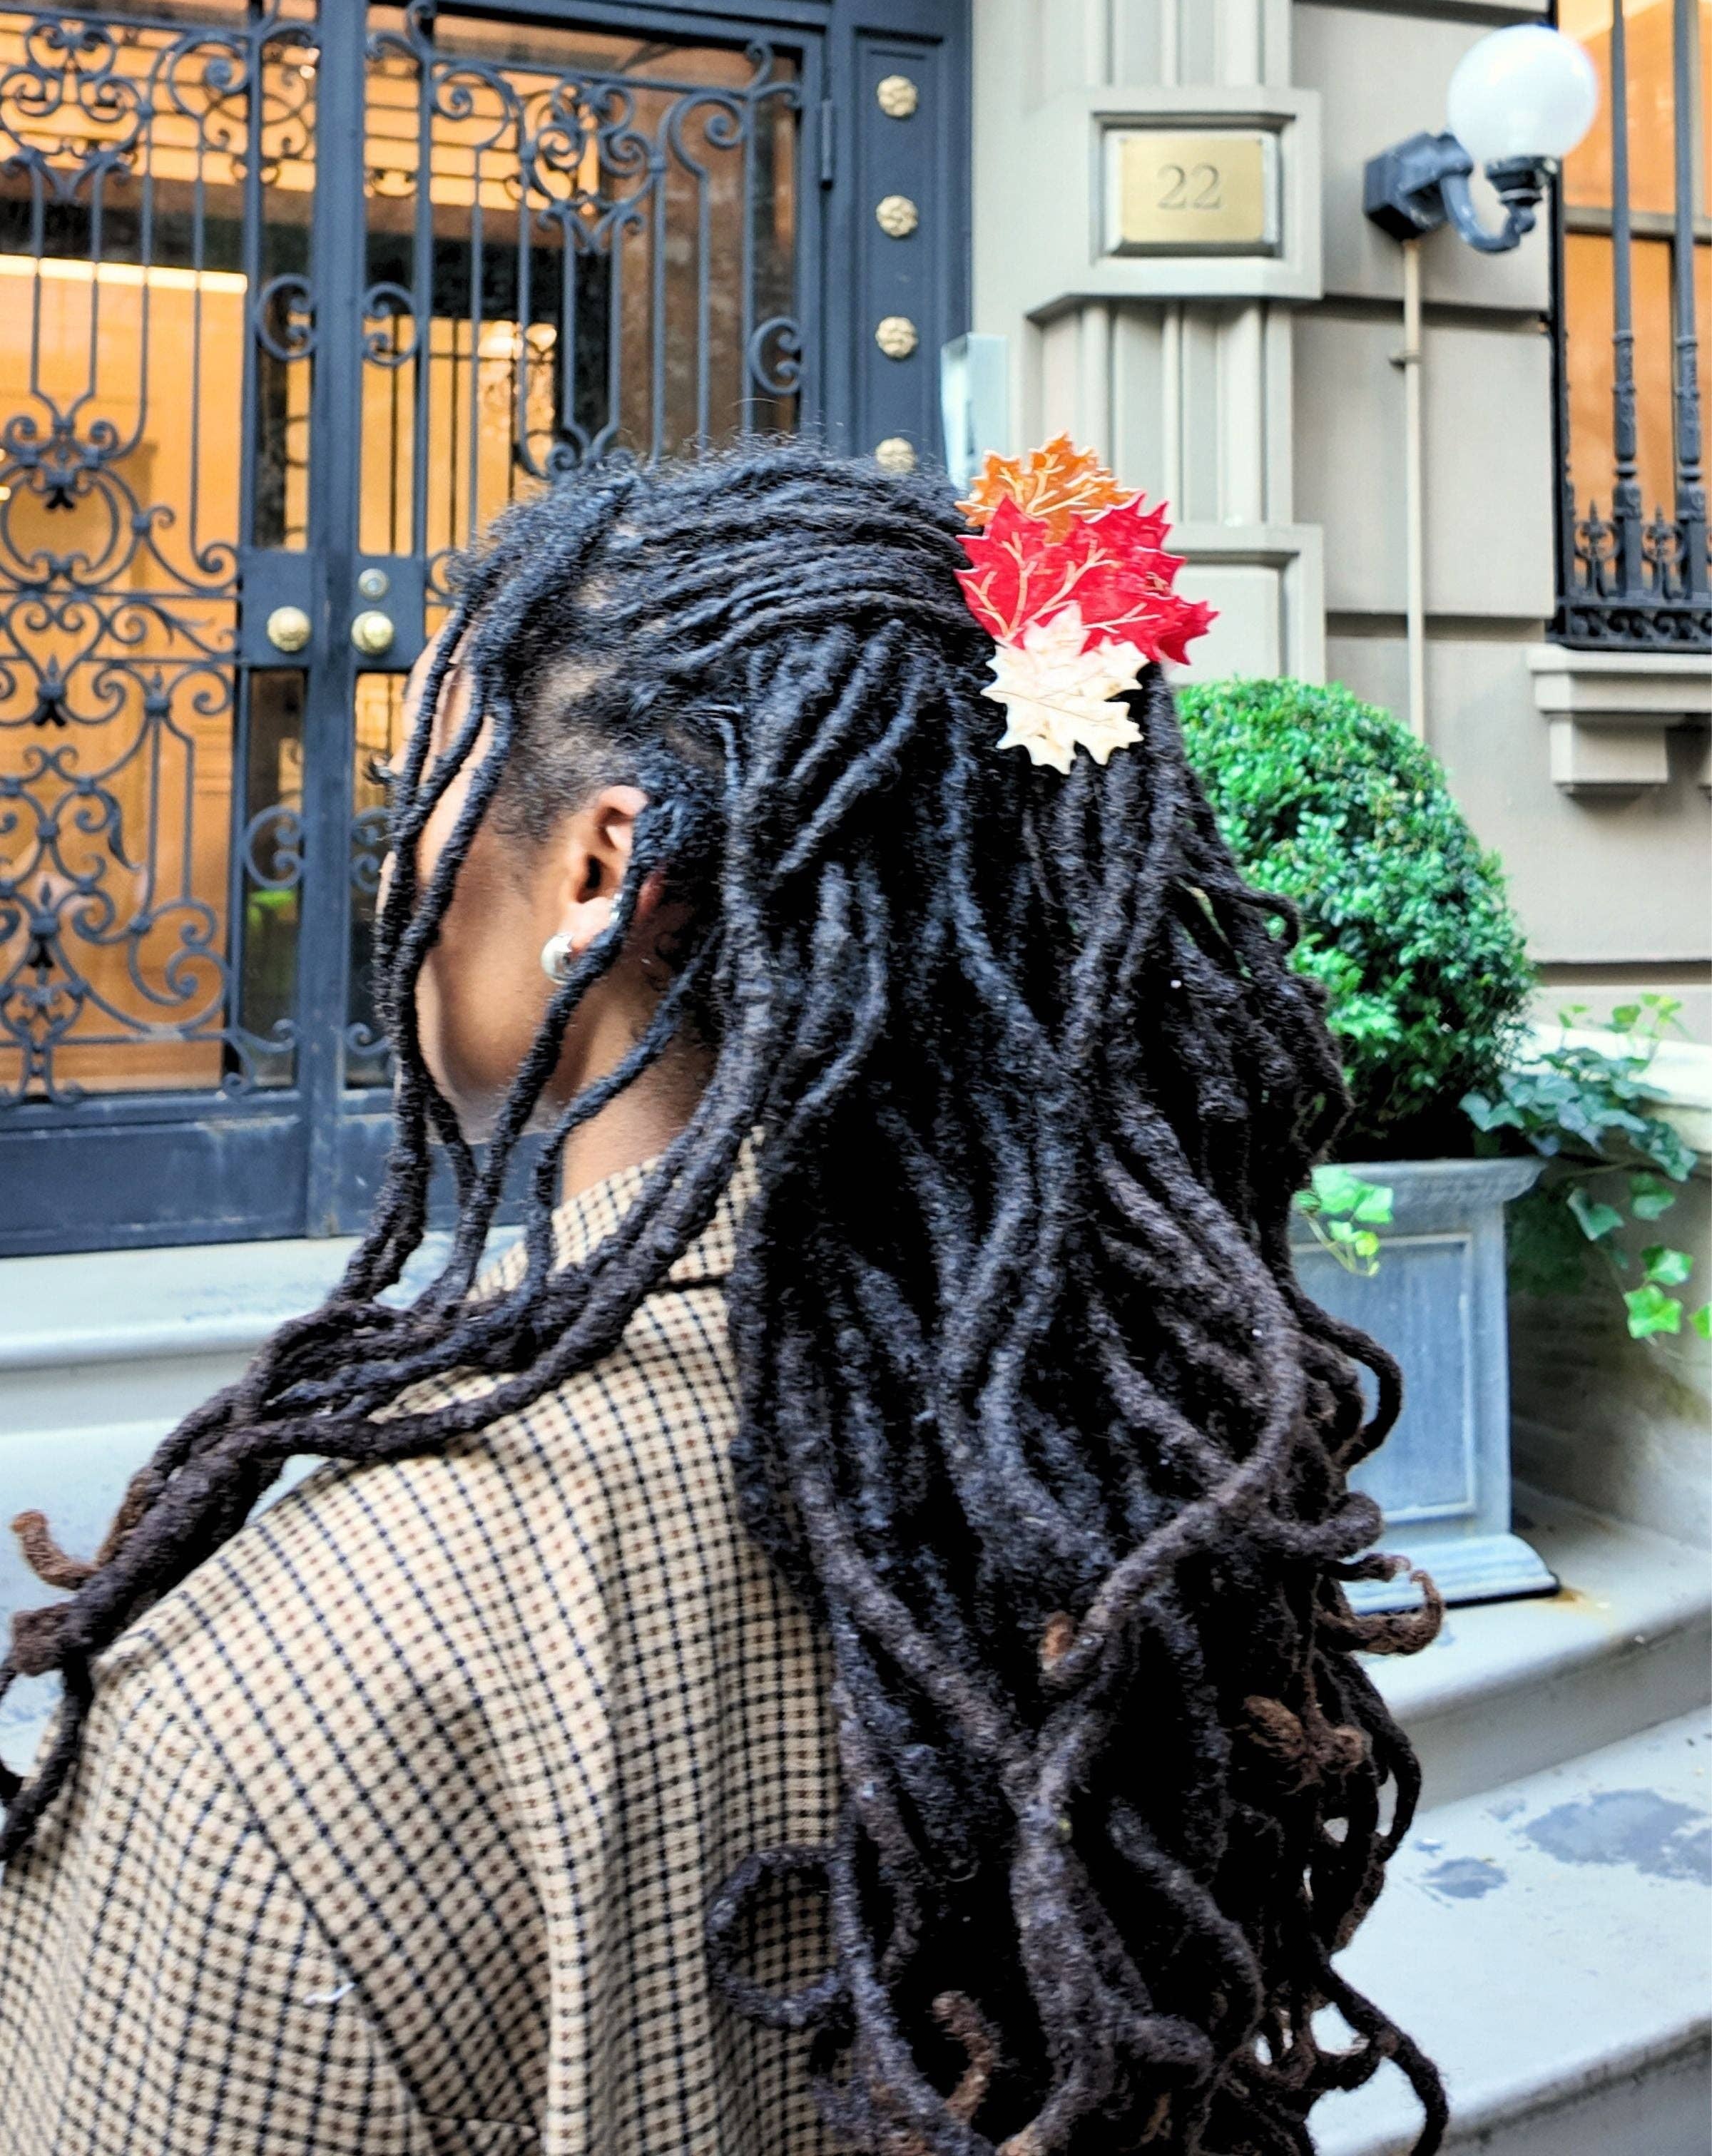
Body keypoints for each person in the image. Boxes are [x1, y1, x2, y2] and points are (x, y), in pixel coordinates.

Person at [0, 440, 1447, 2156]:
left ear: (603, 869)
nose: (390, 872)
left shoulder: (288, 1701)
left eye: (418, 804)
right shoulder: (1139, 1465)